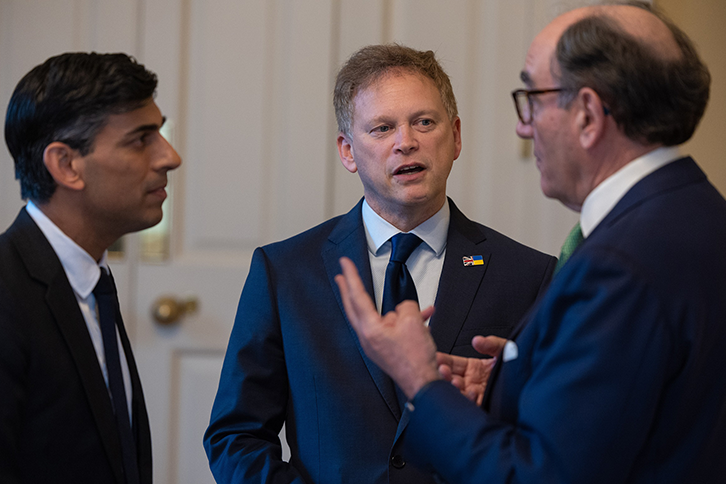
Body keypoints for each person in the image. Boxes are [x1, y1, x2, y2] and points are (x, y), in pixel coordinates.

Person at [335, 2, 726, 483]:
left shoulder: (619, 263)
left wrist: (423, 382)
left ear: (587, 115)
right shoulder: (699, 214)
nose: (524, 127)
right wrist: (517, 385)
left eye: (533, 100)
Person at [204, 44, 556, 483]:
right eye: (382, 127)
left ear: (456, 136)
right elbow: (236, 436)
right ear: (348, 151)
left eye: (424, 122)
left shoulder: (529, 275)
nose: (405, 142)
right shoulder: (285, 271)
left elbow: (549, 434)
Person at [0, 53, 181, 483]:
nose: (169, 157)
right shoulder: (8, 292)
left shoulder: (90, 280)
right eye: (141, 139)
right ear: (66, 165)